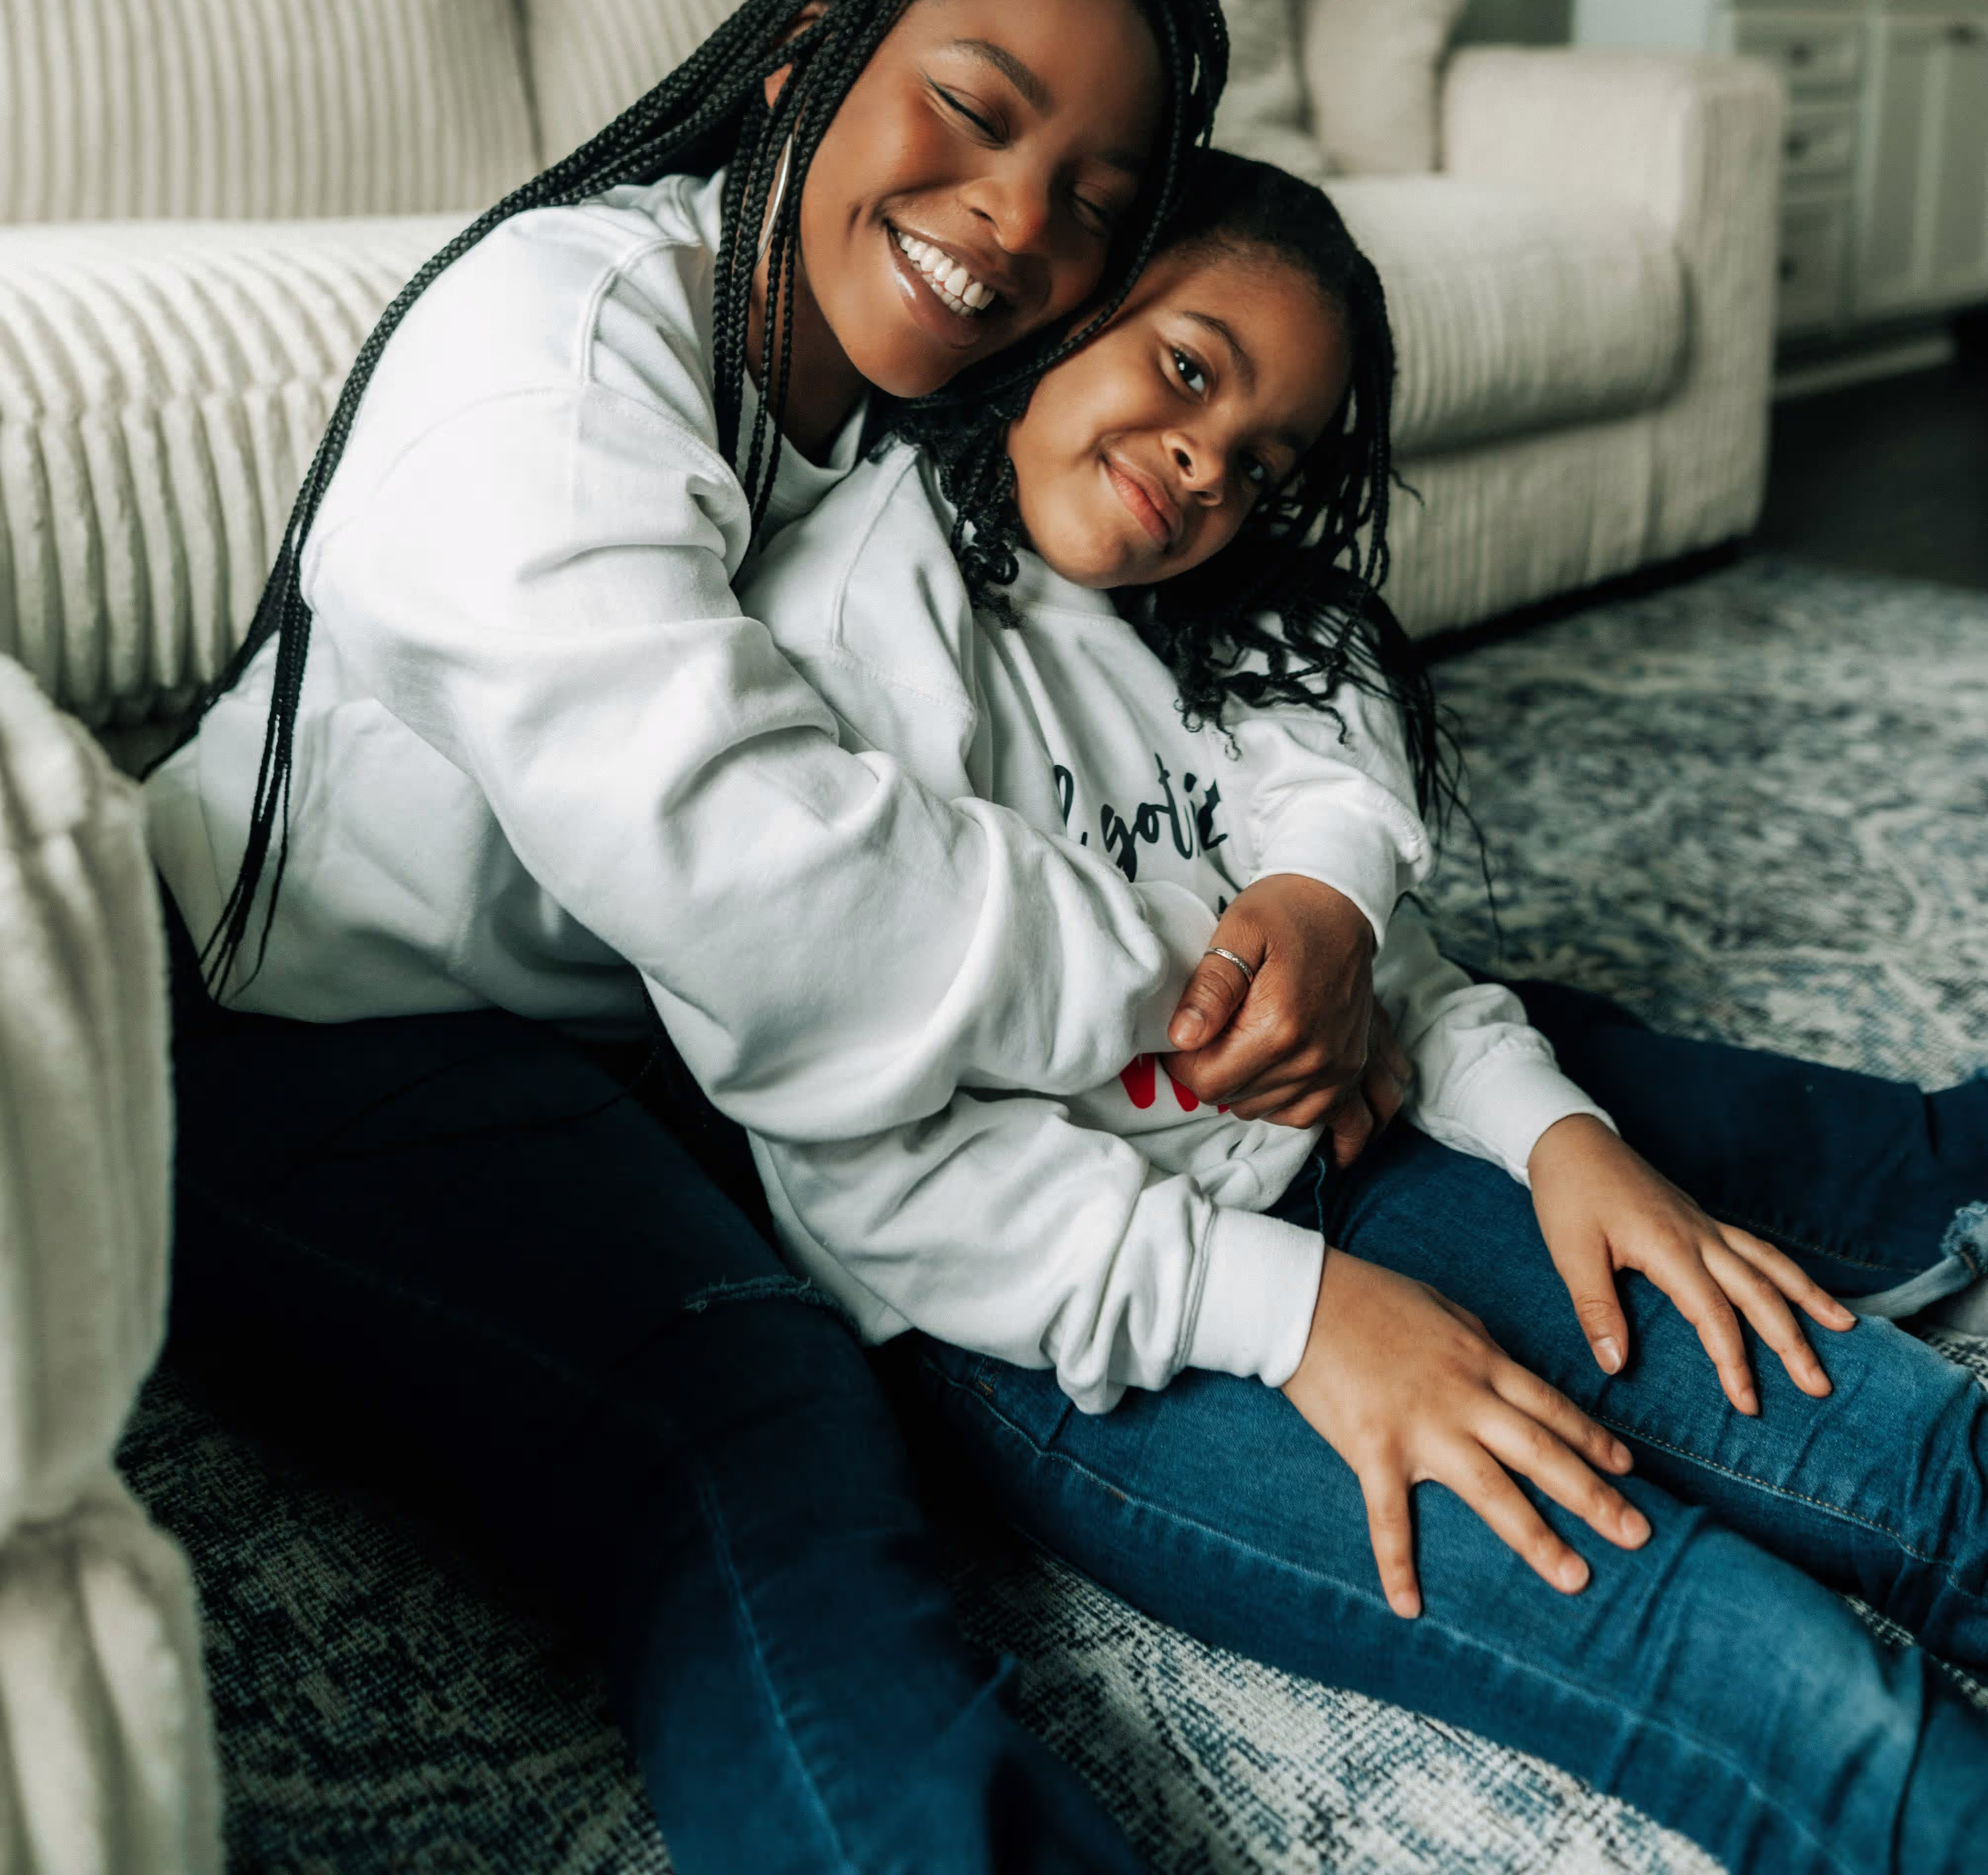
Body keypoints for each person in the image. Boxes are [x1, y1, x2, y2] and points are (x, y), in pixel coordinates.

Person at [151, 0, 1401, 1875]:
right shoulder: (557, 354)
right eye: (976, 115)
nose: (1016, 229)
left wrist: (1325, 901)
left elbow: (1258, 650)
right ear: (811, 55)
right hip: (313, 1038)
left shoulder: (897, 390)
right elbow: (767, 883)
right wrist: (1206, 968)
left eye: (1097, 201)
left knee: (1420, 1014)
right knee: (762, 1424)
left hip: (636, 1022)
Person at [735, 146, 1988, 1875]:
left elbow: (1376, 973)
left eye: (1265, 458)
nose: (1208, 462)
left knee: (1903, 1447)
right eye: (1186, 368)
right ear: (1060, 308)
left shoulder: (1217, 631)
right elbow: (875, 1183)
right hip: (1075, 1320)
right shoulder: (840, 645)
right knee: (1728, 1653)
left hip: (1344, 1157)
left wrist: (1563, 1145)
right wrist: (1309, 1310)